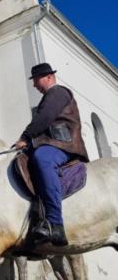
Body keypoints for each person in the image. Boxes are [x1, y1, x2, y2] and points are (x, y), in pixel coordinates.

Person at [14, 63, 89, 246]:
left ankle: (55, 223)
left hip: (65, 146)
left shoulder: (57, 93)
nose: (34, 85)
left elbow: (44, 118)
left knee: (43, 159)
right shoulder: (50, 96)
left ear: (48, 77)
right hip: (51, 143)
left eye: (36, 80)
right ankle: (35, 220)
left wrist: (25, 137)